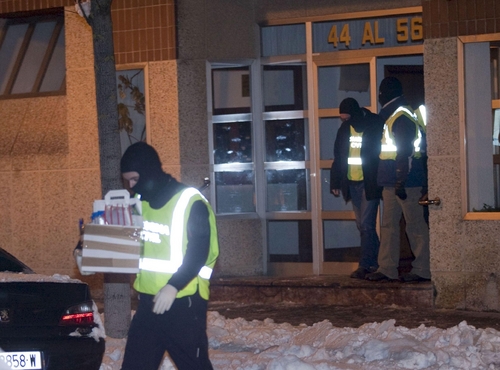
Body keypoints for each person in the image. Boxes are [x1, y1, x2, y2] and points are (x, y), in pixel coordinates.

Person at [120, 142, 219, 370]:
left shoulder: (190, 202)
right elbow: (114, 232)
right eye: (128, 182)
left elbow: (198, 252)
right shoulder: (139, 204)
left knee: (195, 366)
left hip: (185, 303)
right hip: (148, 303)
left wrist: (173, 286)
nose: (132, 187)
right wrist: (89, 250)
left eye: (135, 179)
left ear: (148, 172)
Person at [365, 77, 430, 283]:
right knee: (389, 226)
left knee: (415, 226)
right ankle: (387, 268)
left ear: (385, 94)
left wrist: (401, 181)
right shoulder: (396, 114)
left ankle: (423, 269)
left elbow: (406, 153)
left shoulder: (401, 116)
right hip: (394, 181)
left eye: (381, 92)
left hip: (405, 182)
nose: (379, 96)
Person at [330, 98, 384, 279]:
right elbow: (339, 156)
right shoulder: (345, 129)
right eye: (342, 119)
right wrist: (336, 182)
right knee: (362, 225)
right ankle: (377, 261)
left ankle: (365, 264)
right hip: (352, 182)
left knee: (367, 225)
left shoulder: (374, 123)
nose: (344, 122)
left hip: (369, 182)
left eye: (346, 118)